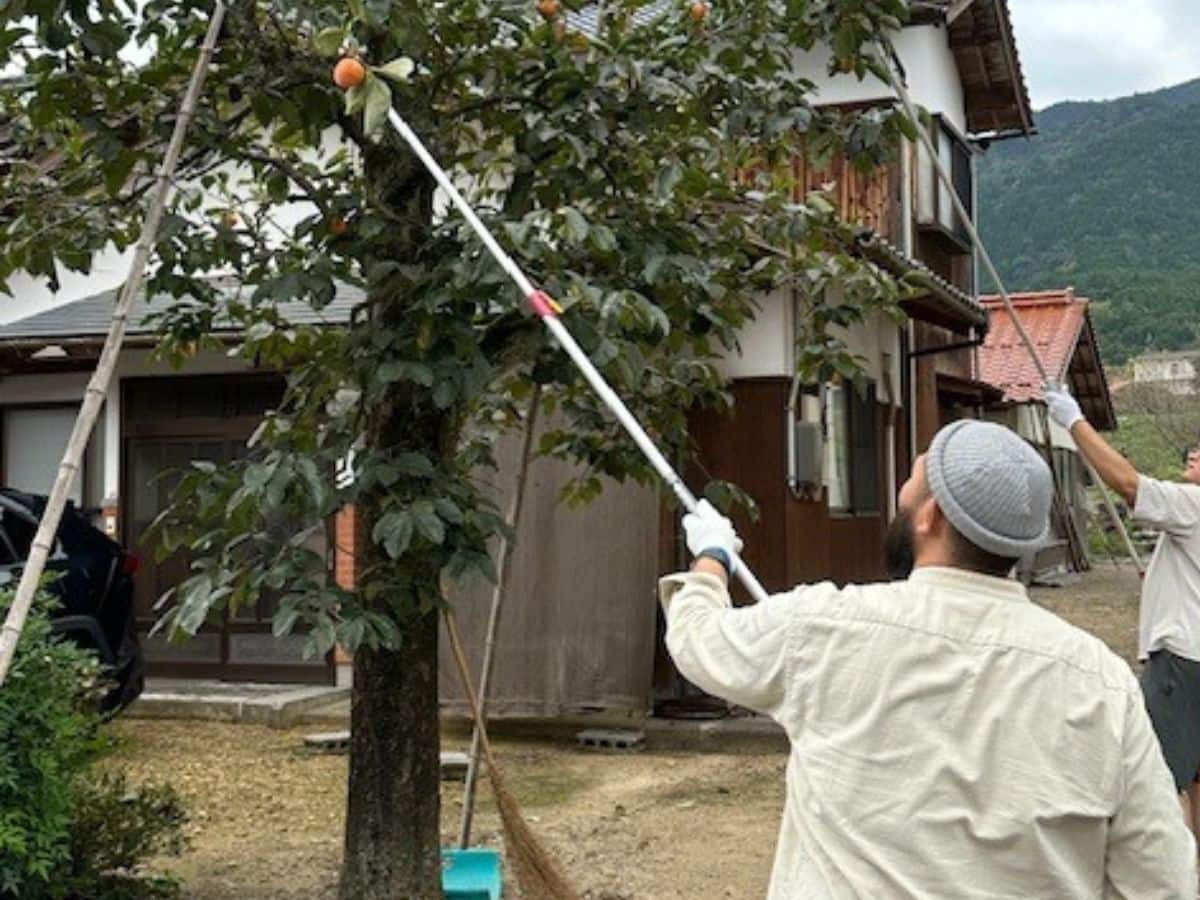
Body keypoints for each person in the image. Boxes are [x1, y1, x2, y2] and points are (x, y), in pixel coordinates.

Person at [661, 419, 1193, 899]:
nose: (901, 494)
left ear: (930, 516)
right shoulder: (1100, 680)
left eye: (911, 483)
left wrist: (713, 557)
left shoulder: (824, 626)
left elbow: (701, 641)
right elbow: (1161, 879)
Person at [1046, 382, 1200, 846]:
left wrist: (1073, 421)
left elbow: (1129, 484)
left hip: (1180, 663)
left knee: (1160, 780)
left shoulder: (1193, 504)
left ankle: (1168, 876)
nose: (1192, 455)